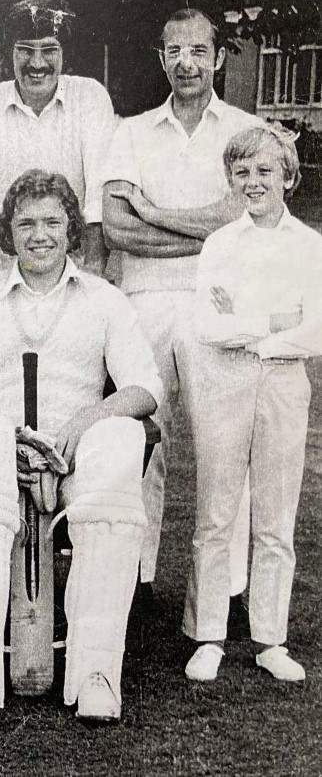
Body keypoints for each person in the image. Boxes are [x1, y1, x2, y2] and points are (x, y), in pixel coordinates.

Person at [0, 169, 162, 725]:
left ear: (72, 230)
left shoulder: (105, 300)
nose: (40, 234)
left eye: (53, 222)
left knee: (121, 438)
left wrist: (93, 416)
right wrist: (0, 441)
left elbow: (145, 386)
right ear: (7, 231)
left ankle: (95, 673)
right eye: (26, 222)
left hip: (75, 460)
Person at [102, 8, 262, 599]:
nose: (186, 63)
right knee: (141, 440)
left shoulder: (245, 130)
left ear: (219, 57)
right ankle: (133, 576)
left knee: (224, 443)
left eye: (198, 51)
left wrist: (154, 210)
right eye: (174, 51)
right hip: (142, 302)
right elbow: (116, 227)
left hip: (219, 303)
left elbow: (238, 214)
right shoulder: (133, 131)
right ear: (161, 58)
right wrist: (197, 232)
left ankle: (228, 585)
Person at [182, 124, 320, 684]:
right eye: (242, 172)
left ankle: (269, 639)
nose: (254, 182)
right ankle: (208, 634)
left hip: (285, 383)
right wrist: (273, 321)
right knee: (216, 511)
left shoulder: (310, 246)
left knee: (276, 514)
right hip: (226, 381)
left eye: (265, 171)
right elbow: (209, 326)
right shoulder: (220, 244)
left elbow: (314, 332)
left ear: (288, 176)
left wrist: (255, 327)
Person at [0, 0, 114, 300]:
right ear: (10, 53)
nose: (37, 63)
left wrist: (94, 266)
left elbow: (98, 194)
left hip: (69, 282)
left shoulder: (90, 98)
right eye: (25, 50)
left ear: (64, 53)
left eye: (49, 50)